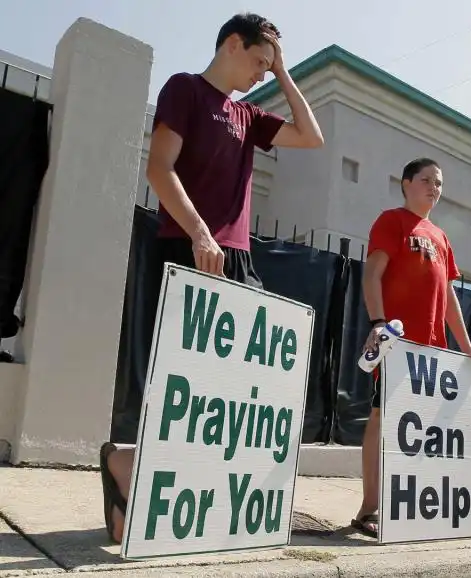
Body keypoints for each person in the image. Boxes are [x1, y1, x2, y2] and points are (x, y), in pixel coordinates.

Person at [99, 12, 324, 544]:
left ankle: (133, 468)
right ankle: (131, 468)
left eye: (269, 67)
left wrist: (285, 72)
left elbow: (311, 137)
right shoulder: (186, 90)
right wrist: (200, 232)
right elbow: (159, 167)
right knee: (182, 376)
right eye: (258, 61)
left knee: (237, 385)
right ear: (230, 45)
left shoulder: (249, 115)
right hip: (188, 246)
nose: (262, 74)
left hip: (238, 257)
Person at [350, 158, 471, 539]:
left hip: (433, 355)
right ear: (406, 183)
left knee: (423, 431)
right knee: (381, 417)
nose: (434, 187)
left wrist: (467, 346)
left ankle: (410, 508)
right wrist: (378, 323)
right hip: (397, 346)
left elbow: (448, 299)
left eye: (439, 183)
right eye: (426, 180)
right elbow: (372, 274)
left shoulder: (442, 238)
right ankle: (369, 509)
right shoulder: (391, 221)